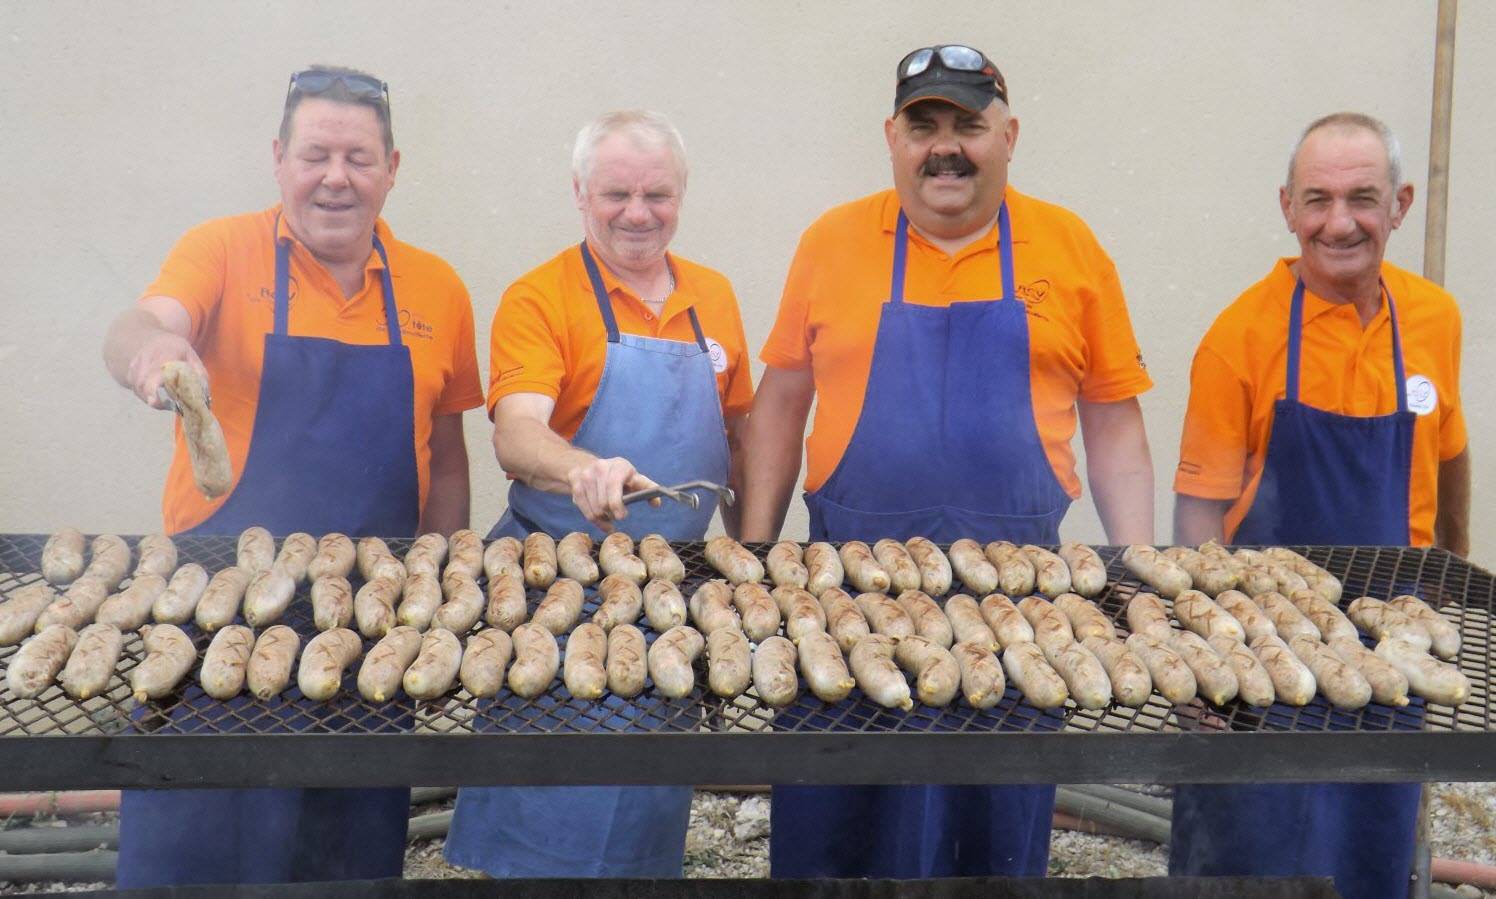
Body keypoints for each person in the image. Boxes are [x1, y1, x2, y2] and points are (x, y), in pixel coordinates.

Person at [738, 45, 1155, 878]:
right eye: (923, 125)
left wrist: (1138, 570)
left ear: (1009, 135)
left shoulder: (1071, 248)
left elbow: (1114, 425)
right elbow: (780, 404)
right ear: (892, 137)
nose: (946, 146)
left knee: (990, 833)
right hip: (842, 593)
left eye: (969, 124)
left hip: (1022, 602)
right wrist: (754, 554)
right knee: (835, 833)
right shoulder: (831, 241)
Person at [100, 65, 484, 886]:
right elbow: (142, 323)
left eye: (358, 156)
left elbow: (445, 453)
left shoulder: (439, 288)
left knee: (342, 857)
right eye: (315, 154)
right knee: (195, 855)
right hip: (213, 604)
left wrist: (443, 582)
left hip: (371, 618)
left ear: (392, 168)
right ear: (279, 158)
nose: (335, 177)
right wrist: (153, 353)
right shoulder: (221, 250)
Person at [443, 109, 753, 878]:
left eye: (658, 194)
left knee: (644, 809)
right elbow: (517, 431)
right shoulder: (540, 297)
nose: (638, 213)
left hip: (676, 592)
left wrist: (749, 557)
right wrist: (578, 466)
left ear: (683, 194)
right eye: (616, 193)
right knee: (549, 812)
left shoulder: (714, 297)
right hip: (558, 587)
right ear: (580, 193)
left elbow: (739, 442)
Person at [1170, 112, 1469, 899]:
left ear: (1400, 205)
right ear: (1287, 206)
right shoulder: (1240, 336)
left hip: (1392, 653)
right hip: (1263, 652)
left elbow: (1449, 451)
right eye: (1318, 200)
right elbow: (1199, 514)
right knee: (1252, 863)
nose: (1340, 223)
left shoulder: (1434, 318)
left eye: (1363, 198)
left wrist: (1451, 576)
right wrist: (1209, 663)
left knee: (1370, 853)